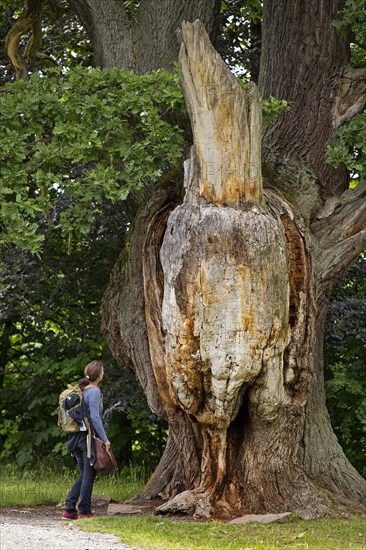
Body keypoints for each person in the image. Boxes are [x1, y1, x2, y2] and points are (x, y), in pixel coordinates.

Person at [62, 360, 110, 520]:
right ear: (99, 375)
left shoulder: (82, 390)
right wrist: (105, 439)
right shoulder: (94, 391)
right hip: (86, 438)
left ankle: (69, 509)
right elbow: (95, 418)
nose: (104, 372)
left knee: (84, 474)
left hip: (74, 438)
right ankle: (84, 511)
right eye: (103, 370)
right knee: (89, 474)